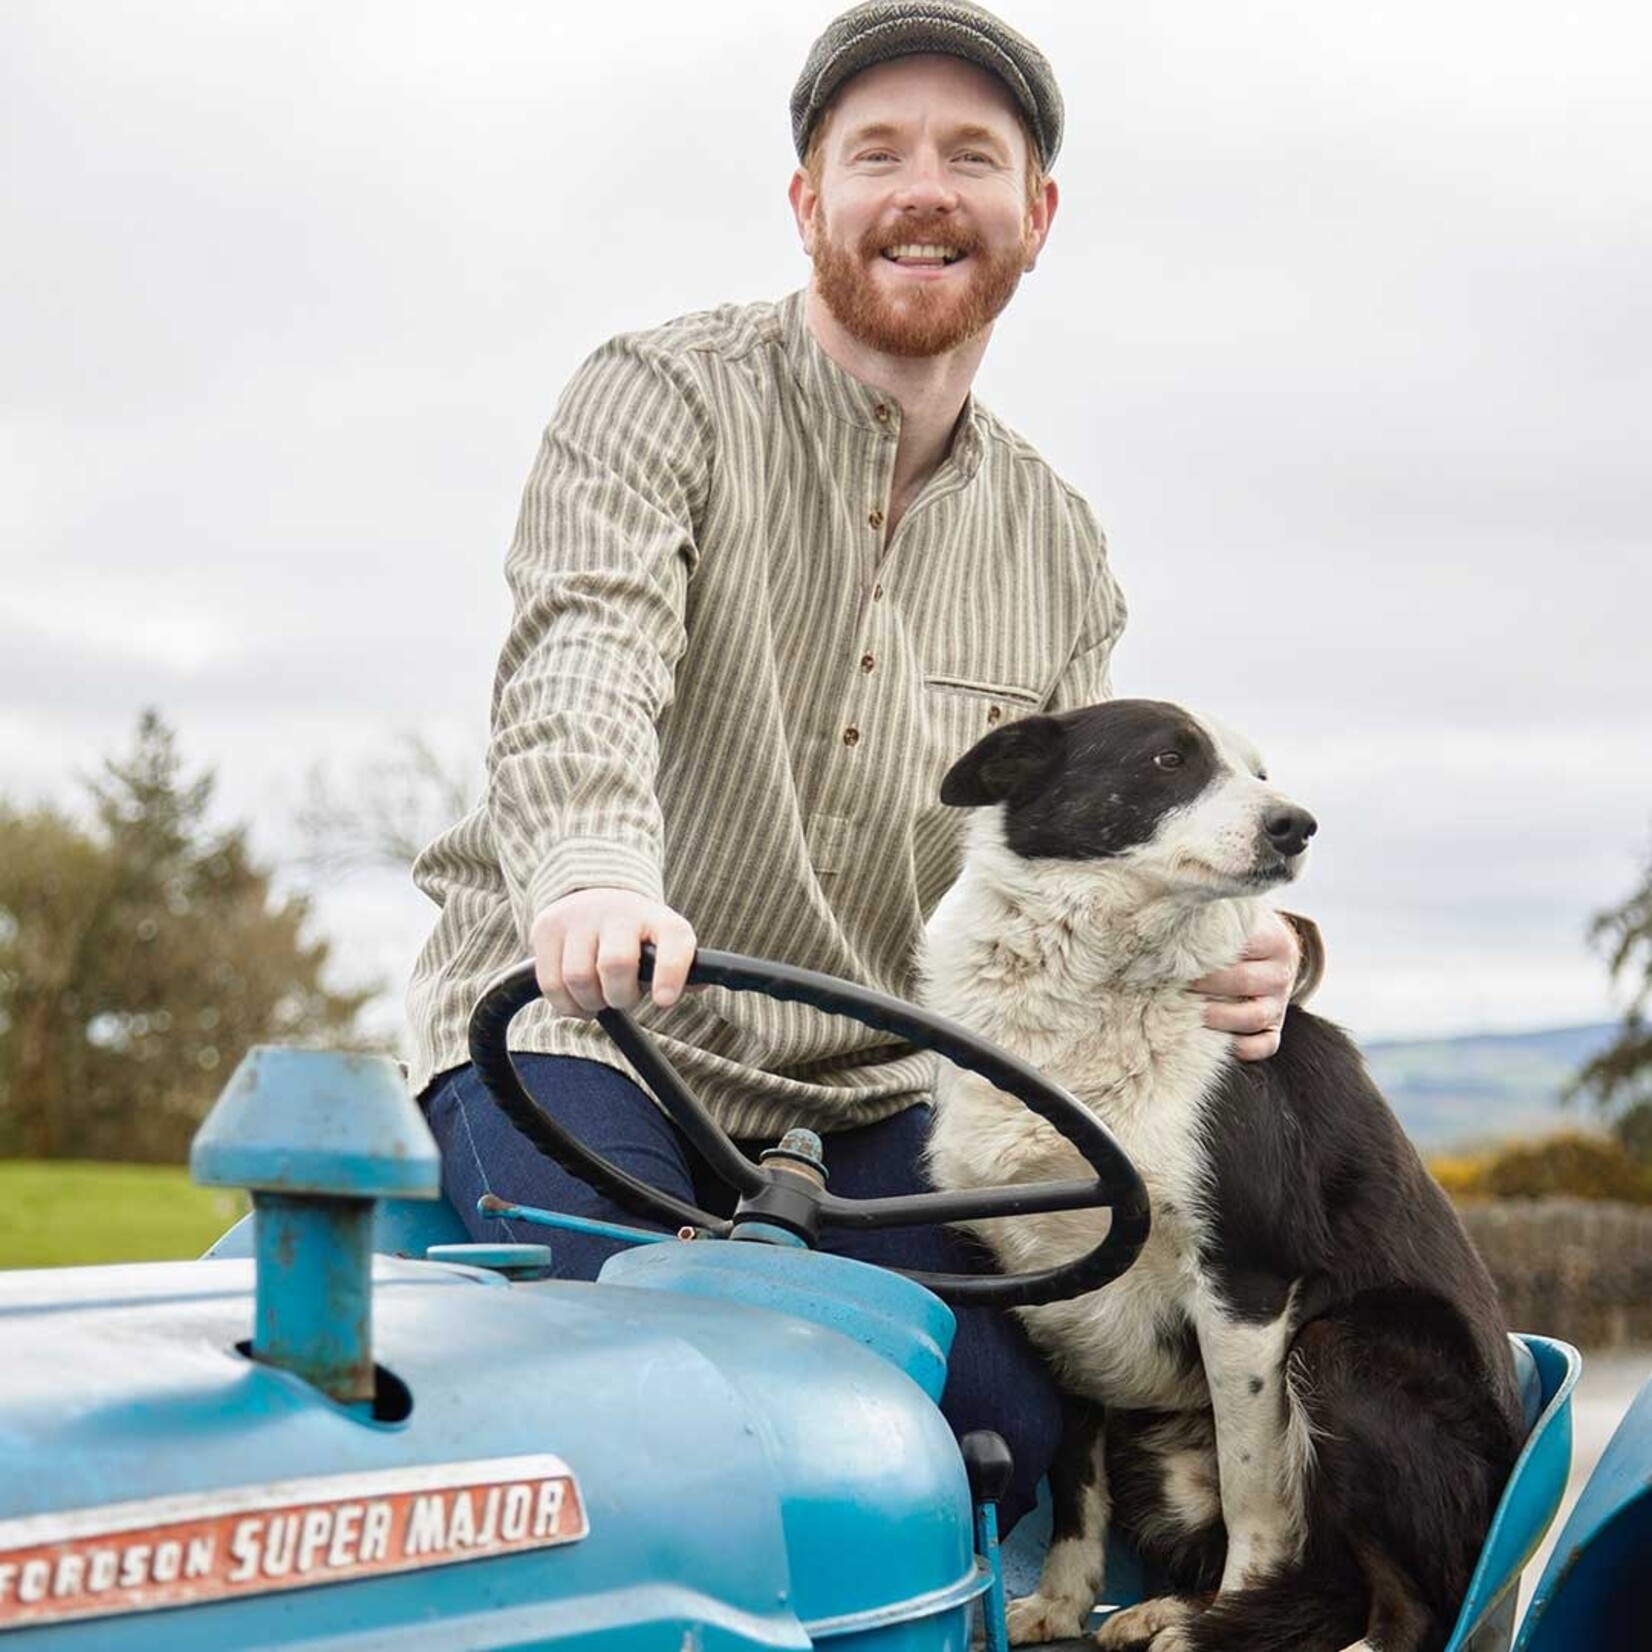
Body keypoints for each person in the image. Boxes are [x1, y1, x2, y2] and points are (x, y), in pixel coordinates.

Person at [407, 0, 1314, 1529]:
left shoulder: (1057, 538)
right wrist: (594, 875)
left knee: (995, 1436)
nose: (922, 189)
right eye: (875, 150)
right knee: (645, 1404)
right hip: (601, 1033)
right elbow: (582, 664)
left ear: (1034, 213)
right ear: (807, 199)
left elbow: (1111, 859)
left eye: (973, 154)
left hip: (883, 1079)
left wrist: (1267, 941)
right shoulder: (659, 396)